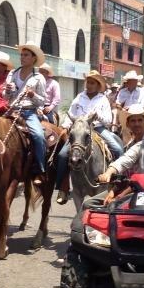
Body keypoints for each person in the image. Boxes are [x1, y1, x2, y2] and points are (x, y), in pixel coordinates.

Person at [56, 70, 122, 204]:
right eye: (88, 82)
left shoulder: (103, 99)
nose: (89, 85)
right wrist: (65, 126)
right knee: (62, 155)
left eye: (92, 83)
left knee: (117, 148)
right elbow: (71, 114)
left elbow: (108, 120)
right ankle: (62, 188)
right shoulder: (79, 97)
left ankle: (118, 184)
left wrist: (98, 116)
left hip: (98, 128)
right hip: (80, 130)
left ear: (98, 86)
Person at [4, 43, 48, 181]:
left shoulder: (39, 77)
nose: (22, 58)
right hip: (12, 110)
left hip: (29, 112)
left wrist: (32, 95)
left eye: (26, 55)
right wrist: (8, 91)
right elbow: (5, 96)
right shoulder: (13, 73)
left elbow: (42, 101)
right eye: (21, 55)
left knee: (39, 136)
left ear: (34, 58)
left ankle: (39, 168)